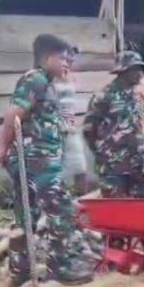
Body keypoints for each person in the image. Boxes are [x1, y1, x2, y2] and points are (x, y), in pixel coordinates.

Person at [0, 34, 93, 287]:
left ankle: (20, 269)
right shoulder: (35, 79)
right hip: (37, 161)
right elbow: (14, 112)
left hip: (36, 161)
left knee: (26, 216)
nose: (67, 62)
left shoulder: (46, 82)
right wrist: (1, 147)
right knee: (62, 209)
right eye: (62, 58)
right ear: (46, 58)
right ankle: (61, 267)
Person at [83, 51, 144, 198]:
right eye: (135, 69)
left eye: (141, 69)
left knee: (143, 210)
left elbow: (140, 126)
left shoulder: (138, 96)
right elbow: (89, 130)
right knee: (115, 210)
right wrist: (105, 153)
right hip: (114, 167)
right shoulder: (104, 96)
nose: (140, 74)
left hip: (139, 165)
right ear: (123, 71)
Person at [55, 47, 89, 196]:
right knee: (56, 170)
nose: (69, 62)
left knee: (80, 168)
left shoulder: (69, 77)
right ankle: (57, 203)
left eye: (71, 59)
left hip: (70, 128)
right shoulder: (48, 79)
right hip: (55, 129)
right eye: (66, 58)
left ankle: (82, 201)